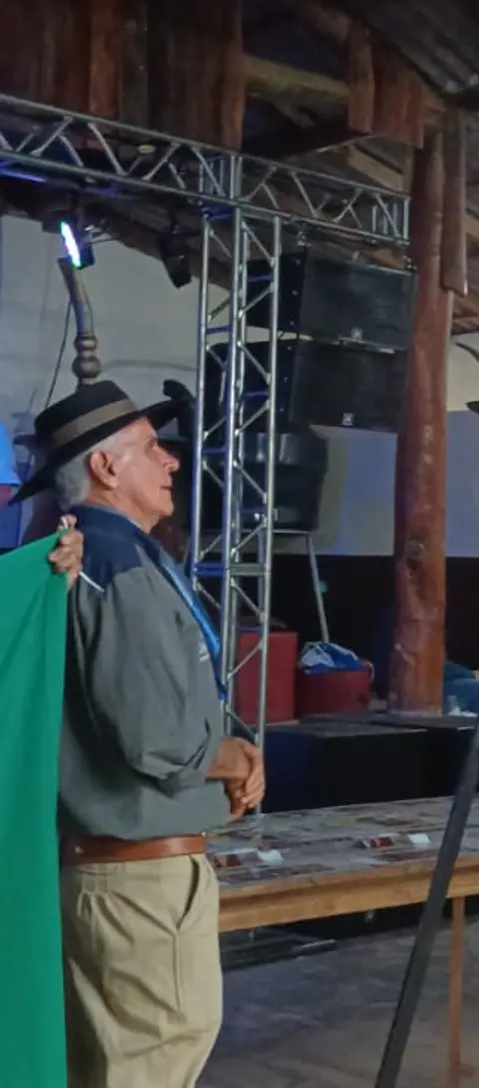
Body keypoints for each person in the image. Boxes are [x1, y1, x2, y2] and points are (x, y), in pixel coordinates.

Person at [12, 380, 266, 1088]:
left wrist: (230, 746)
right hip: (136, 881)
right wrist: (232, 756)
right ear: (105, 467)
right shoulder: (113, 566)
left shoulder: (98, 558)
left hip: (114, 871)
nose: (174, 461)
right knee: (150, 1063)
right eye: (152, 447)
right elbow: (156, 737)